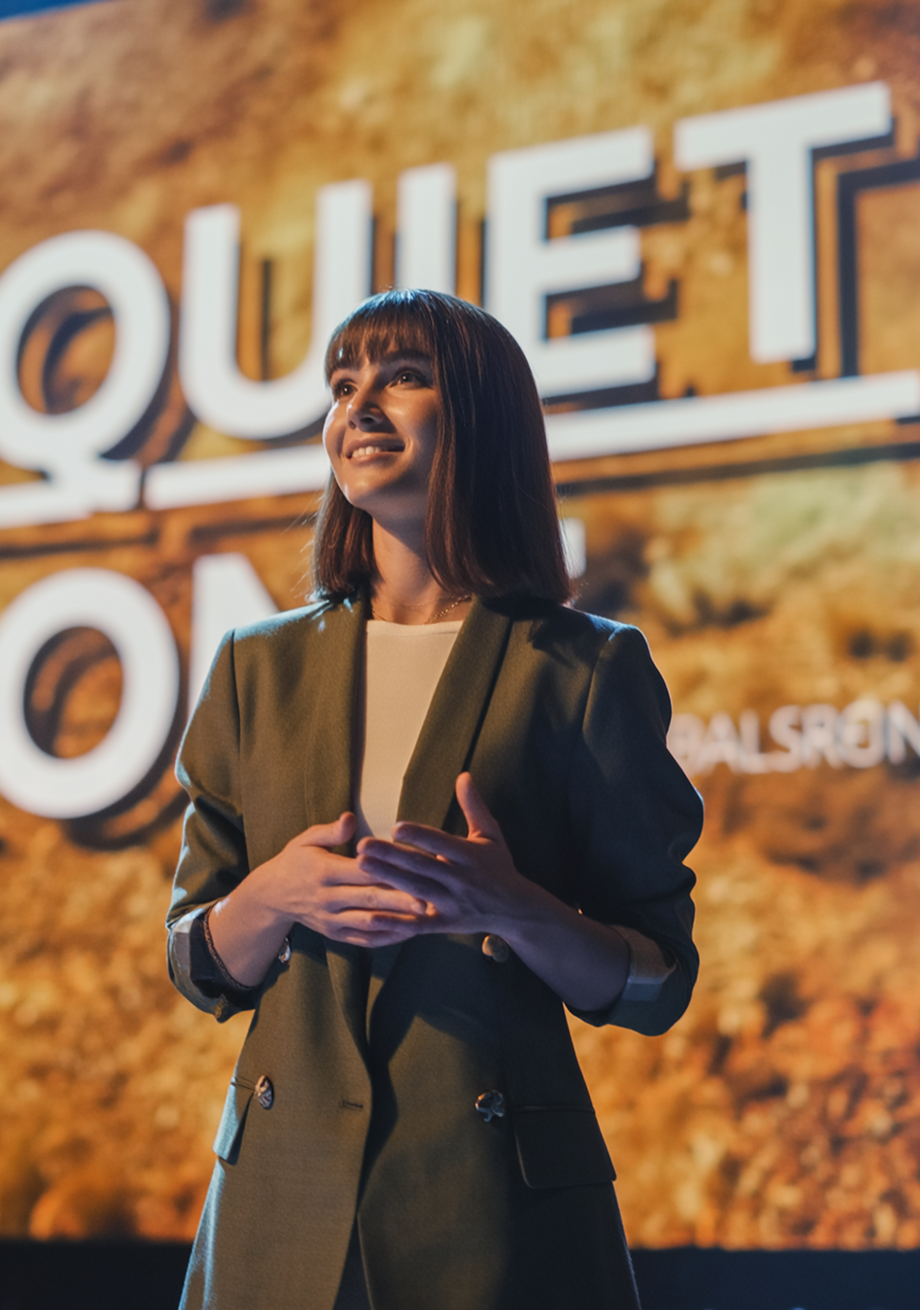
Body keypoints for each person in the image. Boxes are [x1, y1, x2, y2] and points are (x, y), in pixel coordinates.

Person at [165, 288, 703, 1310]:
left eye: (403, 376)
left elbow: (656, 975)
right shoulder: (253, 667)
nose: (360, 406)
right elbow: (196, 958)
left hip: (496, 1215)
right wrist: (272, 895)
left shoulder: (583, 667)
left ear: (483, 420)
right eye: (343, 383)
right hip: (280, 1211)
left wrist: (516, 908)